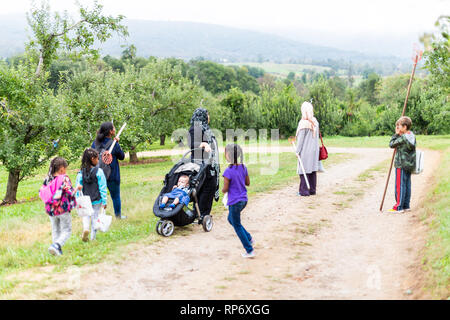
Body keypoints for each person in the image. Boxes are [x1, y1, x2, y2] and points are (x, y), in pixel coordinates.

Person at [188, 108, 220, 223]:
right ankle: (202, 214)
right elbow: (192, 144)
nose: (209, 116)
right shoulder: (194, 128)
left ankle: (201, 214)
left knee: (207, 189)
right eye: (207, 114)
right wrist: (203, 144)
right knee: (204, 189)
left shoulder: (205, 128)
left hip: (209, 165)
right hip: (201, 165)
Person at [39, 157, 76, 256]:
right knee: (67, 230)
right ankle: (57, 245)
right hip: (62, 209)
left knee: (55, 229)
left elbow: (43, 192)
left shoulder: (47, 179)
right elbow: (70, 192)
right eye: (65, 168)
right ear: (61, 169)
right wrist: (77, 188)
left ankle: (55, 250)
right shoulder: (64, 178)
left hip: (51, 209)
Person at [222, 144, 254, 258]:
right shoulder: (243, 167)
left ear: (229, 156)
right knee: (231, 219)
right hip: (243, 200)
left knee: (236, 225)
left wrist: (222, 190)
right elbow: (248, 183)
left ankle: (249, 250)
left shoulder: (227, 172)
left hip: (234, 202)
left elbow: (225, 189)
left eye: (225, 153)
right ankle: (249, 237)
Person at [92, 122, 126, 219]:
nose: (115, 129)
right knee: (115, 196)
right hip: (112, 175)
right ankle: (118, 216)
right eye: (113, 128)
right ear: (111, 131)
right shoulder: (113, 144)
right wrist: (117, 144)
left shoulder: (95, 143)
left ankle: (96, 216)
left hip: (98, 174)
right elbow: (122, 156)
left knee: (97, 198)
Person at [76, 148, 107, 241]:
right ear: (93, 159)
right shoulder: (99, 172)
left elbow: (78, 186)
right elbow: (102, 187)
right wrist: (104, 201)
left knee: (85, 216)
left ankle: (86, 228)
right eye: (97, 159)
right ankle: (93, 237)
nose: (98, 161)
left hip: (85, 200)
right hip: (96, 199)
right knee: (95, 217)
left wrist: (78, 198)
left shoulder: (81, 173)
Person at [387, 116, 416, 213]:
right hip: (409, 164)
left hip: (401, 164)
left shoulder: (403, 138)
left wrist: (396, 134)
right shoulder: (411, 135)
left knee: (400, 185)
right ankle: (406, 205)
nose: (398, 128)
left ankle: (398, 206)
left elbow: (391, 144)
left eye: (399, 126)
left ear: (404, 127)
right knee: (407, 184)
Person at [295, 101, 320, 196]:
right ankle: (312, 190)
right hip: (314, 150)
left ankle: (304, 191)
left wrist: (297, 151)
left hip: (306, 150)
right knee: (313, 169)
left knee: (304, 169)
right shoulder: (315, 122)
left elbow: (300, 140)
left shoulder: (303, 123)